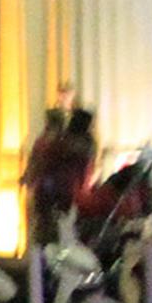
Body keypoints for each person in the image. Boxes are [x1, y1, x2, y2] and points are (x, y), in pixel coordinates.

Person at [22, 106, 96, 257]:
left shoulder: (56, 140)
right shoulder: (86, 143)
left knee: (44, 228)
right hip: (69, 191)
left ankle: (41, 259)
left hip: (48, 188)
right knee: (63, 229)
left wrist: (29, 178)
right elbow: (85, 170)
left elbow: (41, 162)